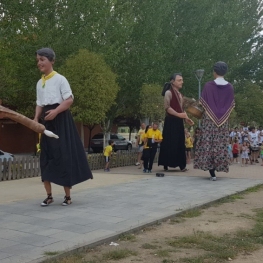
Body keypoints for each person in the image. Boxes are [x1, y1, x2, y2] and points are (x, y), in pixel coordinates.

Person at [34, 48, 93, 206]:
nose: (39, 63)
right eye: (38, 60)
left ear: (52, 61)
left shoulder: (60, 79)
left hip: (61, 120)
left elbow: (69, 100)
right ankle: (49, 196)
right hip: (47, 122)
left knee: (63, 155)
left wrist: (56, 111)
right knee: (46, 157)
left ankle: (67, 197)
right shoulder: (40, 83)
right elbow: (39, 104)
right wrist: (35, 120)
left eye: (42, 59)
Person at [194, 61, 235, 181]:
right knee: (220, 143)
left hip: (209, 119)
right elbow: (231, 105)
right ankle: (219, 166)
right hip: (223, 121)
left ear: (215, 72)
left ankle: (211, 171)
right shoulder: (230, 87)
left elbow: (202, 103)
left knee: (208, 143)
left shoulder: (208, 85)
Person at [158, 73, 194, 172]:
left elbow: (182, 109)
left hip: (179, 122)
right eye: (179, 80)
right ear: (172, 82)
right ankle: (166, 163)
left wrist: (186, 118)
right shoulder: (168, 93)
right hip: (170, 121)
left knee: (180, 143)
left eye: (182, 80)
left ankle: (182, 165)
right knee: (169, 142)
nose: (181, 82)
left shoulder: (180, 95)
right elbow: (167, 108)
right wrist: (179, 115)